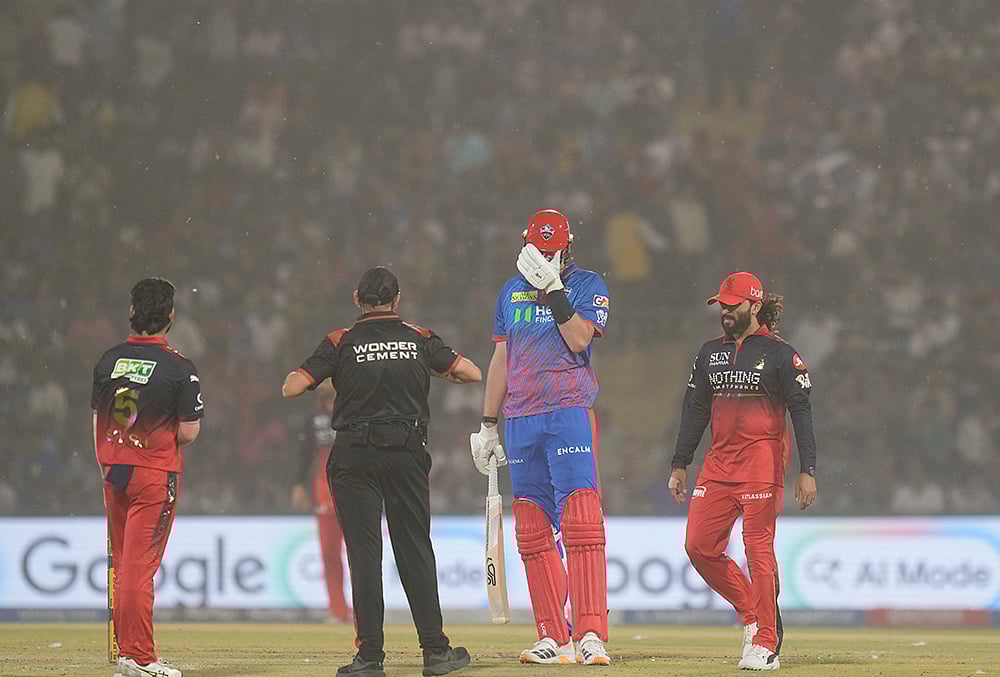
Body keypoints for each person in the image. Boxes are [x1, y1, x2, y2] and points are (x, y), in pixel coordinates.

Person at [282, 266, 480, 677]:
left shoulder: (341, 340)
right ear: (398, 299)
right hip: (405, 453)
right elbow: (470, 372)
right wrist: (429, 369)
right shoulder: (418, 337)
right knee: (414, 549)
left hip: (354, 456)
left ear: (357, 298)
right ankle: (436, 651)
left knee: (364, 555)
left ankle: (370, 656)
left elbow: (293, 387)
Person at [471, 209, 611, 666]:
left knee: (582, 524)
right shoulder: (509, 292)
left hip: (568, 411)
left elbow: (578, 339)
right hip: (520, 419)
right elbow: (500, 360)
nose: (547, 256)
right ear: (524, 244)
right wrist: (488, 423)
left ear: (568, 246)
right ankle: (554, 635)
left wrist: (554, 290)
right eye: (539, 249)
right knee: (531, 531)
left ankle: (591, 633)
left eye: (554, 250)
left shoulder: (587, 285)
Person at [668, 272, 817, 672]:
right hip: (717, 467)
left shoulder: (781, 354)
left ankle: (765, 643)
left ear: (754, 304)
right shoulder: (708, 353)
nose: (726, 312)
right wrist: (680, 463)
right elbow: (695, 411)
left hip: (761, 464)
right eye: (722, 305)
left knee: (757, 549)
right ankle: (753, 610)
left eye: (733, 305)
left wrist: (808, 470)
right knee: (698, 546)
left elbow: (801, 412)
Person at [92, 278, 204, 677]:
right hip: (154, 474)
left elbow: (97, 423)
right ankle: (139, 658)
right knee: (139, 568)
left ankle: (128, 652)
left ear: (131, 312)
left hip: (113, 470)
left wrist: (108, 461)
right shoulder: (179, 367)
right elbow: (189, 432)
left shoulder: (109, 360)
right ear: (170, 316)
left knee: (125, 565)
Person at [291, 378, 351, 623]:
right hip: (324, 491)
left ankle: (364, 609)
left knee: (359, 554)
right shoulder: (313, 418)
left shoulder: (354, 411)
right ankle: (338, 610)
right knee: (329, 553)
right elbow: (305, 454)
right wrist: (299, 484)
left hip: (353, 491)